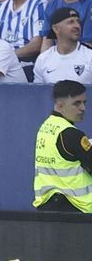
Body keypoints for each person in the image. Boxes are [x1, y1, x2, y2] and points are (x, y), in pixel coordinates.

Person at [33, 80, 92, 212]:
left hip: (48, 204)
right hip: (77, 208)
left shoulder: (46, 126)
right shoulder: (71, 134)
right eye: (77, 103)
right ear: (60, 106)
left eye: (84, 102)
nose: (83, 108)